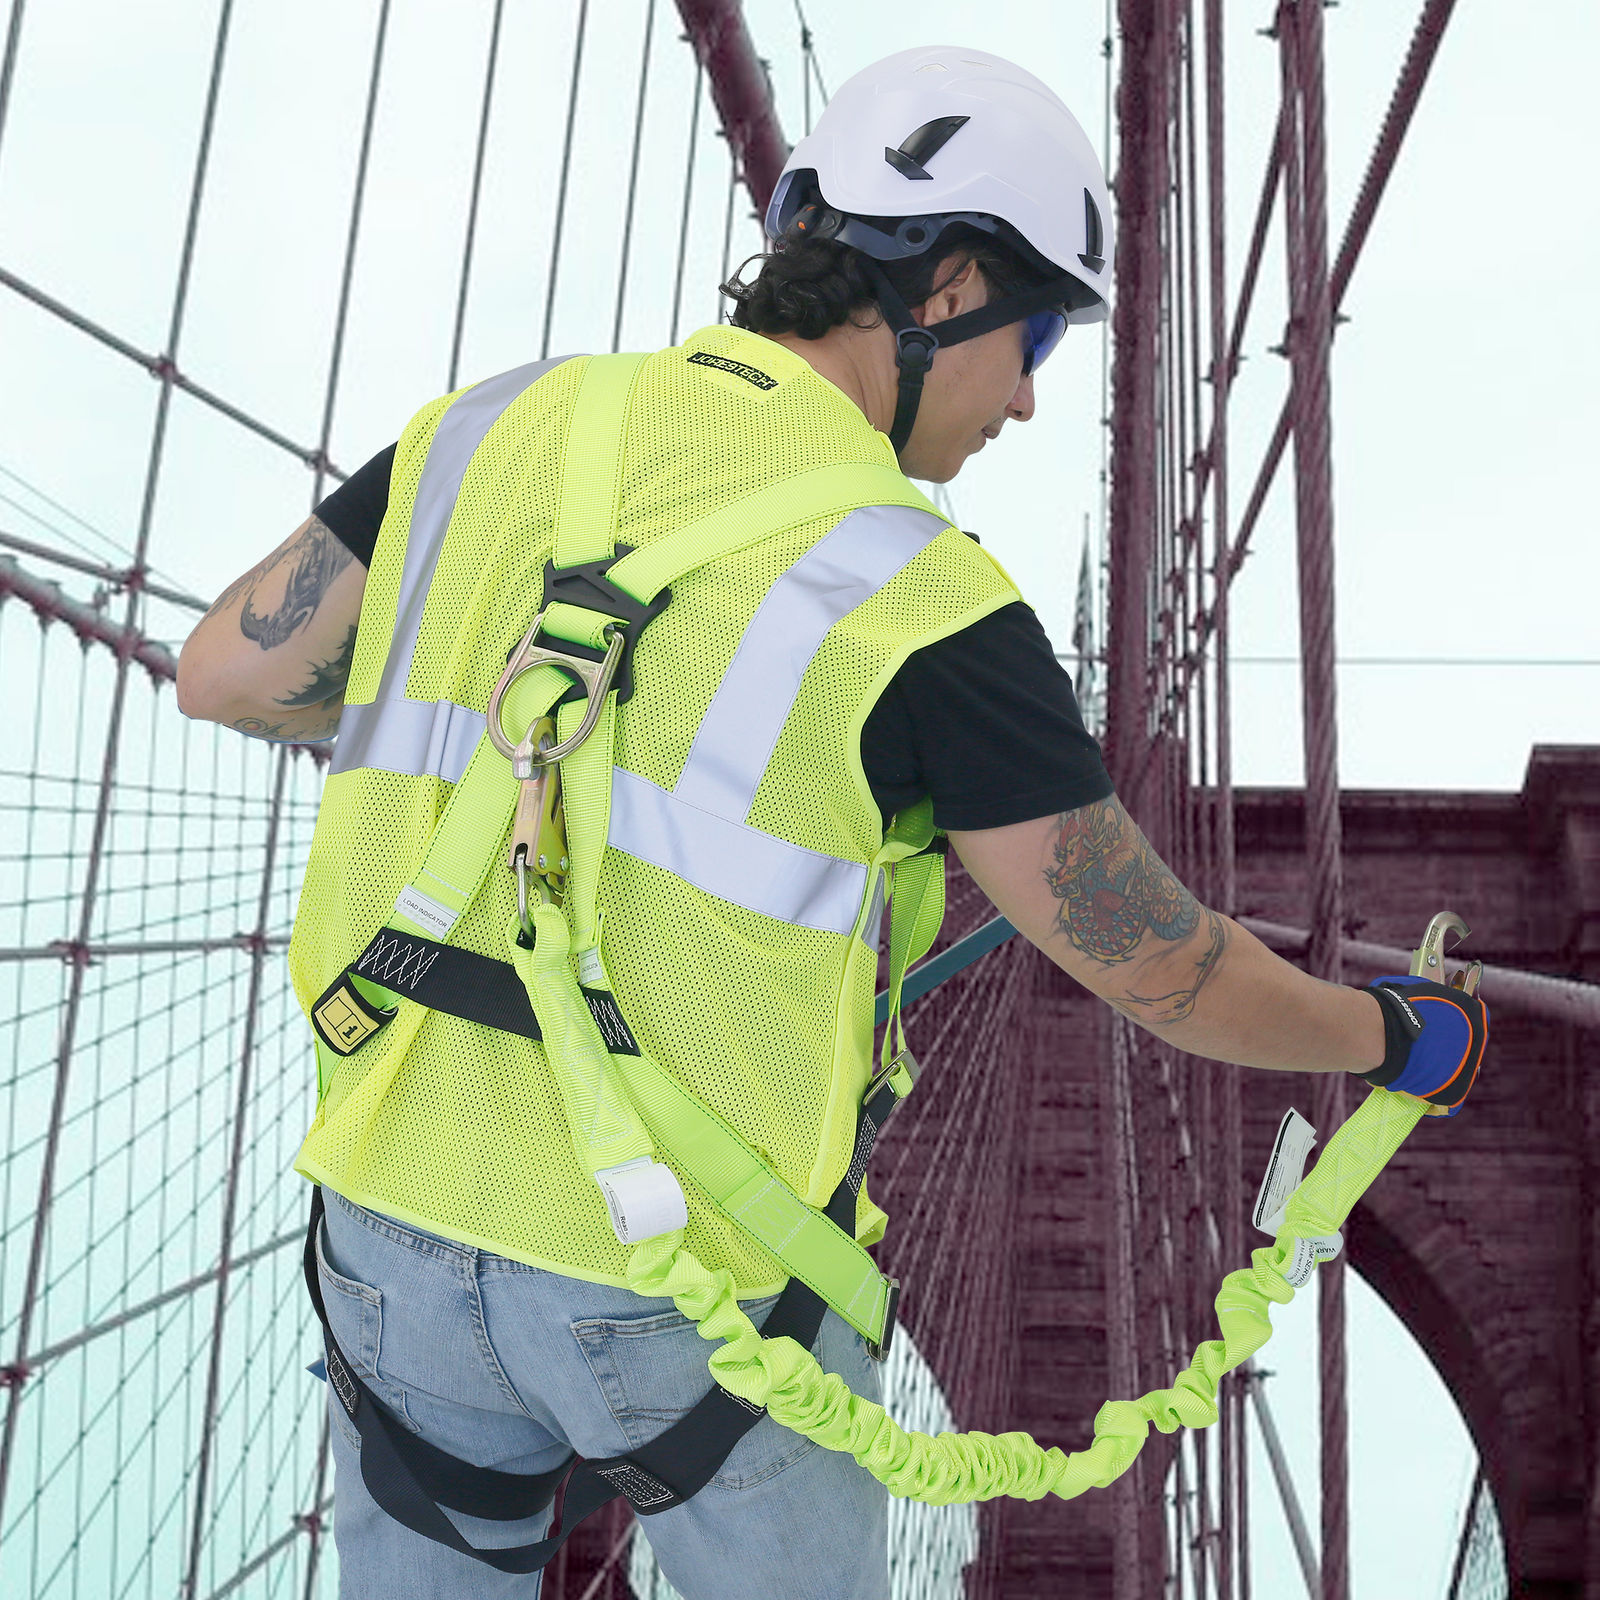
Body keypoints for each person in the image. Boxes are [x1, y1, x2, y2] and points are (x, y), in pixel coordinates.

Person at [175, 45, 1483, 1600]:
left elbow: (226, 674)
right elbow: (1161, 966)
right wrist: (1389, 1039)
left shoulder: (499, 426)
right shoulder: (922, 598)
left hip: (388, 1219)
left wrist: (476, 695)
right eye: (1043, 326)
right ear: (945, 288)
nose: (1037, 389)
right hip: (694, 1305)